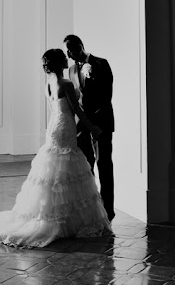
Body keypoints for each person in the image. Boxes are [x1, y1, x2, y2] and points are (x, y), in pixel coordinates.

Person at [0, 48, 111, 248]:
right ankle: (64, 220)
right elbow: (77, 110)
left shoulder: (49, 83)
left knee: (55, 170)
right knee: (66, 168)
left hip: (54, 127)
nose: (66, 59)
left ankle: (54, 215)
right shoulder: (66, 84)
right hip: (64, 127)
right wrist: (93, 128)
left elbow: (57, 109)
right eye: (63, 57)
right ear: (59, 63)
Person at [64, 34, 115, 222]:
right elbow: (76, 99)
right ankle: (91, 208)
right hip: (82, 126)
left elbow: (106, 96)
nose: (68, 54)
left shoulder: (101, 64)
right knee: (86, 167)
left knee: (104, 165)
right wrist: (83, 123)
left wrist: (96, 125)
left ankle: (108, 210)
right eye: (67, 51)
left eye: (70, 49)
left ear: (80, 46)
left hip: (101, 124)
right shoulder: (71, 70)